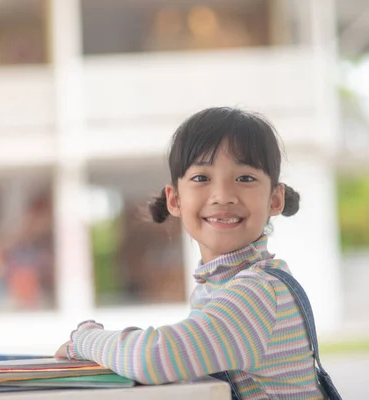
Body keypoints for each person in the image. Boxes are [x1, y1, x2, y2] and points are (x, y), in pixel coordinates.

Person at [55, 107, 325, 399]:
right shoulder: (216, 288)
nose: (222, 195)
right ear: (175, 199)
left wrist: (82, 339)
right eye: (201, 178)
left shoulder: (259, 293)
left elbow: (152, 359)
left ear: (275, 200)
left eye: (245, 178)